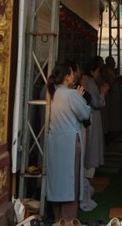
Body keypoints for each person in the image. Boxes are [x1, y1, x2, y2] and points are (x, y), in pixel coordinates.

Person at [46, 60, 91, 221]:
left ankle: (58, 218)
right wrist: (80, 96)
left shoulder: (52, 92)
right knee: (71, 182)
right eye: (72, 74)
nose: (74, 77)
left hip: (54, 139)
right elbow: (85, 113)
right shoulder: (71, 94)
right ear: (66, 77)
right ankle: (69, 219)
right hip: (70, 142)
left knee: (57, 180)